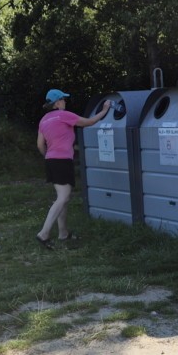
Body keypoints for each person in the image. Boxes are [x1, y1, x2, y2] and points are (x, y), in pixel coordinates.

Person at [36, 89, 112, 249]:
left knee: (63, 198)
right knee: (63, 198)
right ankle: (44, 234)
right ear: (57, 103)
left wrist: (48, 156)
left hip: (51, 160)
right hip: (62, 161)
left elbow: (40, 145)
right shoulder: (64, 115)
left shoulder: (43, 120)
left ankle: (63, 233)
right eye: (63, 99)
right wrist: (104, 110)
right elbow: (89, 122)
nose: (65, 102)